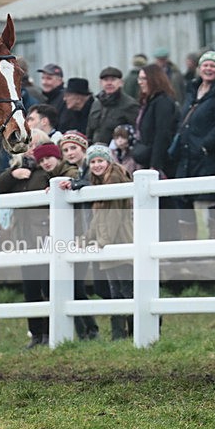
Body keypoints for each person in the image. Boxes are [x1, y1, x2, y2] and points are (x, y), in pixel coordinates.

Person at [0, 130, 52, 348]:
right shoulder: (17, 168)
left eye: (36, 143)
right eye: (29, 143)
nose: (32, 147)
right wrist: (12, 175)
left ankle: (49, 333)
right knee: (30, 288)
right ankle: (35, 334)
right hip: (23, 237)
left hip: (45, 236)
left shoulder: (48, 170)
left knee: (48, 286)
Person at [73, 144, 134, 340]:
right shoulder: (98, 183)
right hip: (108, 241)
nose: (96, 165)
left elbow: (114, 215)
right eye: (93, 162)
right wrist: (87, 238)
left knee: (127, 289)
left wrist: (103, 241)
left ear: (108, 161)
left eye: (100, 161)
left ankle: (134, 330)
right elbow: (98, 218)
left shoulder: (114, 177)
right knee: (116, 291)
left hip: (119, 239)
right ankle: (120, 333)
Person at [173, 51, 215, 238]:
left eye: (213, 66)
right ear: (199, 68)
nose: (208, 69)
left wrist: (205, 145)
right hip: (187, 156)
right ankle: (189, 250)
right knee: (183, 200)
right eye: (205, 65)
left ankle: (213, 249)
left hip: (208, 157)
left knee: (208, 202)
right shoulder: (192, 90)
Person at [58, 130, 100, 341]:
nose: (70, 152)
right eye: (65, 150)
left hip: (95, 232)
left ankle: (92, 330)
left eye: (73, 148)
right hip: (81, 233)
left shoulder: (92, 166)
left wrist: (75, 184)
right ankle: (87, 331)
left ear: (83, 148)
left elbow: (94, 184)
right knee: (74, 283)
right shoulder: (74, 171)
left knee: (104, 286)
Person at [132, 63, 179, 240]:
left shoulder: (163, 102)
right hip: (149, 161)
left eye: (144, 78)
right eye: (139, 78)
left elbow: (162, 134)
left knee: (166, 209)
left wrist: (155, 165)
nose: (140, 82)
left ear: (153, 79)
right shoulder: (149, 102)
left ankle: (171, 248)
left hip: (160, 164)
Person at [86, 67, 138, 145]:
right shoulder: (96, 104)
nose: (109, 83)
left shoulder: (130, 105)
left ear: (121, 82)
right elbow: (90, 130)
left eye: (113, 79)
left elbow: (137, 132)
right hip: (96, 151)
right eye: (106, 80)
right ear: (101, 83)